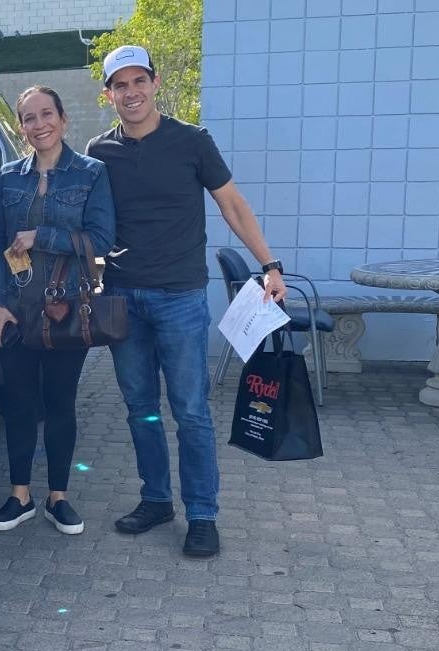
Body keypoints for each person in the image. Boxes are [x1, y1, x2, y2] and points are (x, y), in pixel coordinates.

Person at [85, 46, 287, 557]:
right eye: (120, 85)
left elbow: (232, 205)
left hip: (179, 297)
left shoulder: (191, 141)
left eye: (139, 82)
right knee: (139, 408)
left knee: (191, 410)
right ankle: (156, 499)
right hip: (122, 298)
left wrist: (269, 264)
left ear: (154, 83)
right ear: (108, 94)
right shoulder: (98, 151)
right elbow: (89, 223)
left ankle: (202, 513)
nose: (130, 93)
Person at [0, 85, 116, 535]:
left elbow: (102, 239)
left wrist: (42, 236)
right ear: (20, 127)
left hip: (66, 311)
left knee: (60, 402)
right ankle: (20, 495)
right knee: (18, 405)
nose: (39, 125)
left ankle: (58, 496)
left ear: (63, 118)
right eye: (29, 118)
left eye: (47, 114)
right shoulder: (8, 178)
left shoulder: (90, 173)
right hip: (16, 311)